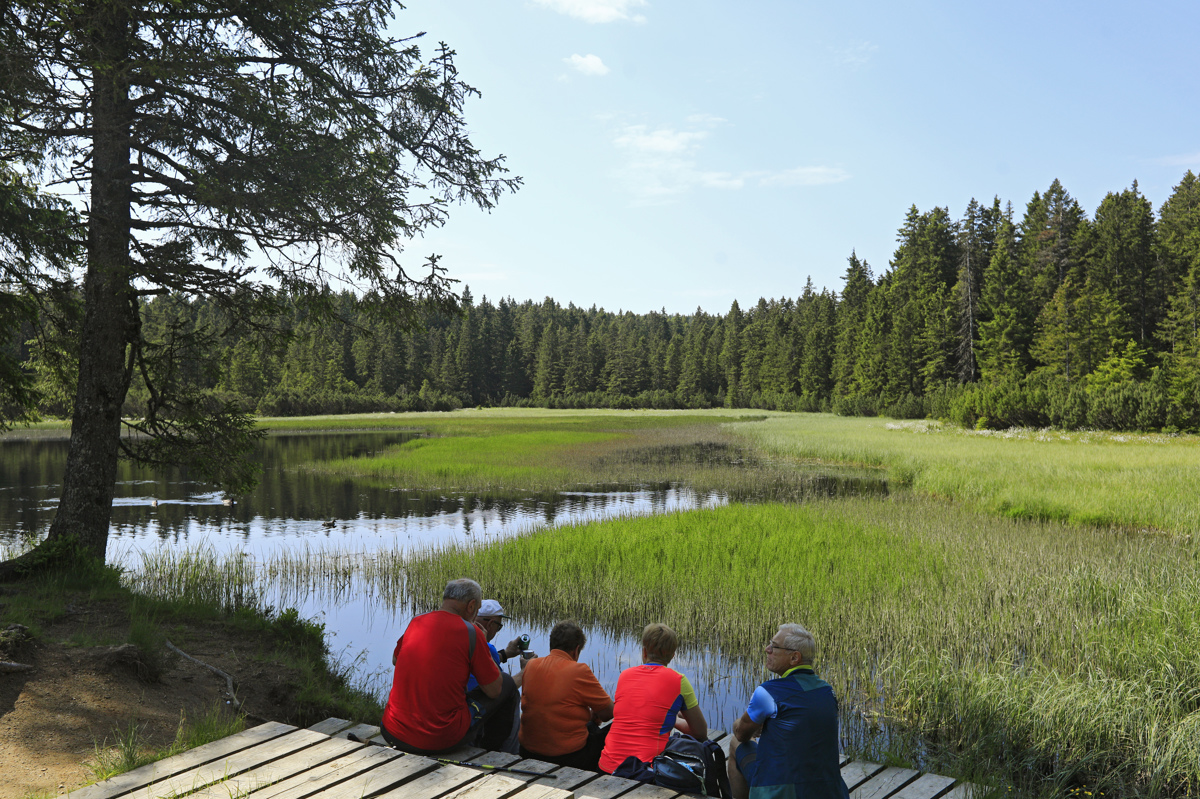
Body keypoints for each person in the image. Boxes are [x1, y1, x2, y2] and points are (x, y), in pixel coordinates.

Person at [380, 578, 518, 754]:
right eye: (477, 609)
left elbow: (395, 659)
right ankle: (497, 753)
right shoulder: (471, 632)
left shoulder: (417, 621)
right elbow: (494, 690)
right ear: (471, 606)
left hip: (391, 731)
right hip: (440, 739)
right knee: (507, 684)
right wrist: (482, 644)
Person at [727, 623, 849, 799]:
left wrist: (747, 725)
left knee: (735, 743)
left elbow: (741, 734)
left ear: (794, 658)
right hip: (831, 793)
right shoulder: (828, 692)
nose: (767, 649)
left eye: (774, 646)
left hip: (780, 794)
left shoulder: (768, 692)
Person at [598, 622, 707, 774]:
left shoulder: (625, 675)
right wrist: (673, 719)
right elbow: (700, 732)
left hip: (606, 766)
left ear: (644, 652)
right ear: (672, 656)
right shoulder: (679, 681)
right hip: (644, 771)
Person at [519, 620, 614, 771]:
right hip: (568, 758)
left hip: (527, 751)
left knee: (590, 726)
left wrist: (587, 716)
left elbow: (548, 708)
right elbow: (609, 713)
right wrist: (595, 712)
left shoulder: (530, 665)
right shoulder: (579, 671)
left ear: (551, 645)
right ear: (576, 650)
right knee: (617, 727)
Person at [468, 598, 527, 752]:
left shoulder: (461, 640)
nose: (497, 630)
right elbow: (500, 688)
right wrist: (526, 671)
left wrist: (505, 654)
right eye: (499, 626)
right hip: (473, 716)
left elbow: (480, 662)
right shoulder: (487, 648)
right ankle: (510, 751)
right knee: (511, 693)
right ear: (490, 624)